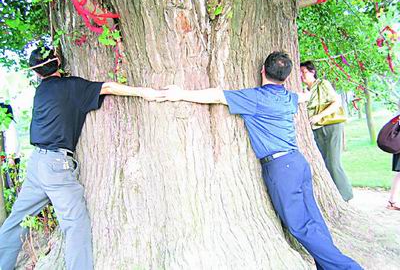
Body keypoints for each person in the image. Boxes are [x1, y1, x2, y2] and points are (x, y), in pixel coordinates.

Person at [160, 51, 362, 269]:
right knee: (314, 221)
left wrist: (180, 93)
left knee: (300, 226)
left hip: (281, 168)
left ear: (262, 71)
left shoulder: (256, 98)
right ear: (286, 77)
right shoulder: (289, 98)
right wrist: (305, 94)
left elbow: (217, 96)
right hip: (298, 163)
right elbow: (302, 97)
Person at [0, 47, 162, 270]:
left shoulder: (42, 91)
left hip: (37, 163)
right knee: (76, 224)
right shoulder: (71, 87)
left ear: (37, 74)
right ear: (59, 64)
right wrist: (145, 92)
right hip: (56, 166)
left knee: (15, 222)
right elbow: (108, 87)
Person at [300, 61, 353, 202]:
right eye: (300, 73)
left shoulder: (322, 84)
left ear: (312, 72)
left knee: (333, 162)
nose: (301, 75)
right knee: (323, 162)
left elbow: (336, 102)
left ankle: (345, 196)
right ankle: (334, 193)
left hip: (331, 125)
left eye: (304, 72)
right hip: (317, 129)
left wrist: (319, 116)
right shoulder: (305, 91)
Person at [0, 102, 21, 190]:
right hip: (8, 158)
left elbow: (12, 141)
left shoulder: (9, 124)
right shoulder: (5, 124)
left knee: (11, 185)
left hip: (11, 159)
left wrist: (10, 157)